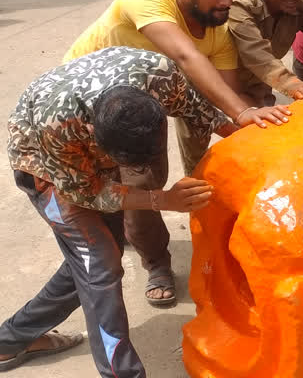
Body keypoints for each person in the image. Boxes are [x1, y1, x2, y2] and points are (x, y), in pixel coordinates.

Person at [63, 0, 290, 307]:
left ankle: (156, 252)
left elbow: (225, 99)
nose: (226, 1)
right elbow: (184, 56)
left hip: (147, 108)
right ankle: (153, 263)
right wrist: (242, 112)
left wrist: (263, 129)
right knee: (103, 193)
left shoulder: (218, 32)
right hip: (87, 103)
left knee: (144, 184)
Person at [0, 47, 238, 376]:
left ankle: (9, 341)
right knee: (100, 268)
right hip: (47, 169)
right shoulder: (55, 123)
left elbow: (197, 109)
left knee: (87, 263)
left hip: (88, 159)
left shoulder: (160, 75)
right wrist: (160, 200)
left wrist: (246, 133)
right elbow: (86, 191)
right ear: (96, 140)